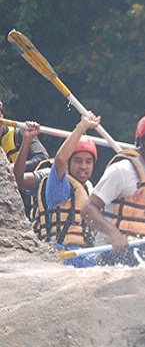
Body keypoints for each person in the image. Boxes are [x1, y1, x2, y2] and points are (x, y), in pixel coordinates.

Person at [81, 113, 145, 265]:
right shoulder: (122, 170)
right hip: (111, 255)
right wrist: (114, 234)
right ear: (141, 142)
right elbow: (88, 208)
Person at [18, 113, 100, 266]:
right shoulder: (59, 184)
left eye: (88, 162)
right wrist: (82, 127)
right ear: (69, 163)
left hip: (84, 254)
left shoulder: (88, 187)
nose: (83, 166)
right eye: (77, 161)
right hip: (60, 252)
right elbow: (61, 159)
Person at [2, 99, 48, 216]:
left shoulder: (18, 134)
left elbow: (42, 158)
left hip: (25, 192)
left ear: (2, 116)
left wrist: (8, 168)